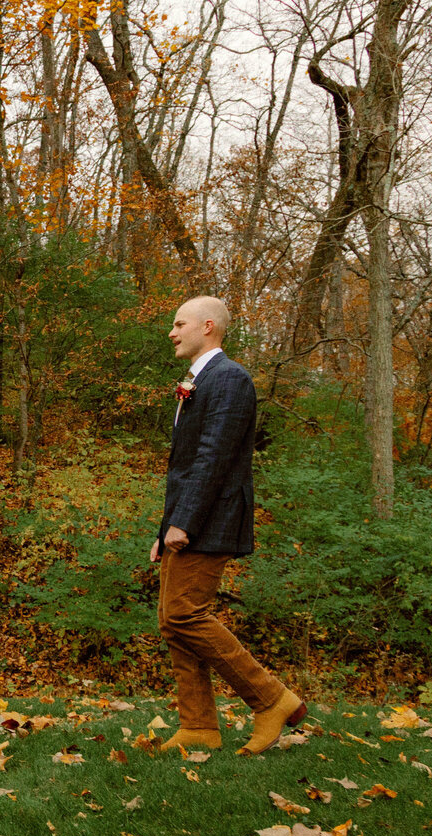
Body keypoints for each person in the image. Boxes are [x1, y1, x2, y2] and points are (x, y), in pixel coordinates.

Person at [153, 296, 306, 756]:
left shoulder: (230, 379)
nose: (172, 332)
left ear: (208, 326)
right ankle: (198, 726)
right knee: (172, 621)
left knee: (184, 614)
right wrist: (165, 529)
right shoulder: (199, 381)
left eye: (179, 324)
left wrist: (183, 522)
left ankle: (273, 699)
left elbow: (213, 458)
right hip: (190, 518)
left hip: (210, 518)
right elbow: (185, 465)